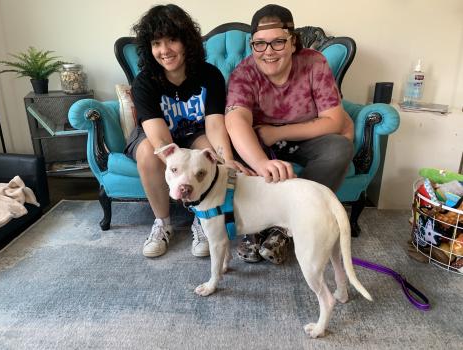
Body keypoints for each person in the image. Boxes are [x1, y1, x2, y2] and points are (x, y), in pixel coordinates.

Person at [225, 4, 354, 265]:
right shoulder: (243, 72)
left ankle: (288, 228)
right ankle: (256, 227)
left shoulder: (314, 62)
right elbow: (235, 119)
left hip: (306, 138)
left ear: (293, 42)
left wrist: (278, 132)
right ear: (252, 46)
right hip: (260, 141)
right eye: (259, 44)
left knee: (339, 148)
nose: (268, 52)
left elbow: (334, 121)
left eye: (278, 43)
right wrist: (261, 163)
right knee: (237, 147)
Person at [126, 4, 247, 258]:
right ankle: (162, 223)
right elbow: (159, 138)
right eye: (157, 43)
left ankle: (201, 217)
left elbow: (214, 125)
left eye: (172, 40)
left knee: (208, 151)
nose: (164, 50)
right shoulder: (145, 82)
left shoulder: (210, 75)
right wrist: (181, 183)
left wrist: (226, 161)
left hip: (195, 132)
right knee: (149, 151)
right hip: (154, 135)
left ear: (187, 42)